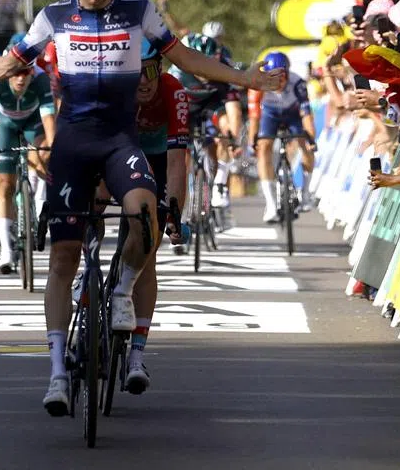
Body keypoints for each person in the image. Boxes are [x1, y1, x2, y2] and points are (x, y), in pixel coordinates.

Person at [0, 0, 284, 415]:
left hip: (120, 142)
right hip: (74, 146)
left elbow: (185, 58)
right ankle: (58, 372)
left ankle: (122, 289)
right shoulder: (54, 17)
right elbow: (1, 67)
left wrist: (243, 77)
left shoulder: (139, 11)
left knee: (147, 212)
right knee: (62, 259)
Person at [127, 37, 188, 392]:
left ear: (160, 69)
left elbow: (178, 164)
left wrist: (175, 213)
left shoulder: (173, 91)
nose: (144, 80)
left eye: (151, 70)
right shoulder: (118, 92)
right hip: (125, 151)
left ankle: (137, 355)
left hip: (162, 155)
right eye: (137, 71)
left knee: (148, 252)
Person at [0, 48, 56, 273]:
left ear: (32, 72)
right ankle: (6, 251)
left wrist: (52, 148)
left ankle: (36, 203)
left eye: (25, 72)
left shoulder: (42, 81)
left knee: (41, 157)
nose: (20, 78)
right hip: (5, 126)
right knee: (5, 185)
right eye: (15, 73)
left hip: (33, 124)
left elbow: (48, 121)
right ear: (7, 72)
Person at [168, 32, 243, 211]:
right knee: (179, 158)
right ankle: (176, 209)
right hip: (184, 107)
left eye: (210, 63)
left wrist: (234, 139)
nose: (204, 69)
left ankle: (219, 184)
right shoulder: (177, 73)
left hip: (211, 106)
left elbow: (234, 109)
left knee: (226, 129)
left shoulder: (224, 70)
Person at [247, 51, 316, 222]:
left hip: (292, 113)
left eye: (282, 77)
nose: (279, 82)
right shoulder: (257, 85)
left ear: (287, 73)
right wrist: (252, 139)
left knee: (305, 144)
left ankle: (305, 192)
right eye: (274, 77)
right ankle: (270, 204)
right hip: (269, 114)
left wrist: (311, 140)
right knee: (263, 149)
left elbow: (306, 115)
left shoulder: (297, 83)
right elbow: (254, 116)